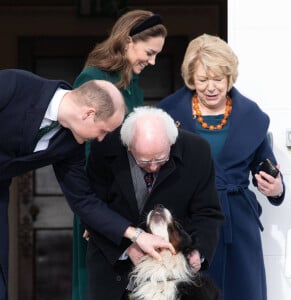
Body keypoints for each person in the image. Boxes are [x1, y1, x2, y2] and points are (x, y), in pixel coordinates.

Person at [0, 69, 174, 300]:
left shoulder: (71, 144)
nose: (101, 138)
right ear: (88, 114)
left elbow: (83, 200)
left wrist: (137, 235)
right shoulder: (12, 84)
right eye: (102, 131)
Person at [157, 33, 285, 300]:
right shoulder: (167, 113)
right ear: (191, 79)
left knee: (243, 292)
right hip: (189, 224)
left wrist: (276, 188)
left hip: (238, 223)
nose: (211, 87)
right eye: (203, 80)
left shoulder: (252, 116)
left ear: (230, 77)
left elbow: (267, 167)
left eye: (218, 79)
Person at [72, 9, 168, 300]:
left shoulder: (133, 85)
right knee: (99, 286)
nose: (152, 61)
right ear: (128, 42)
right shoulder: (92, 78)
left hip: (128, 202)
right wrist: (94, 217)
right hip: (100, 203)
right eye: (149, 52)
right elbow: (84, 152)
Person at [84, 106, 224, 300]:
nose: (153, 167)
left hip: (174, 279)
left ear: (171, 142)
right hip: (113, 268)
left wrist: (198, 250)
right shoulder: (105, 146)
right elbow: (91, 208)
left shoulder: (197, 150)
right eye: (143, 161)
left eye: (161, 159)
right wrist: (127, 247)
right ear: (128, 146)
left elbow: (207, 211)